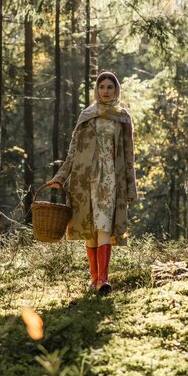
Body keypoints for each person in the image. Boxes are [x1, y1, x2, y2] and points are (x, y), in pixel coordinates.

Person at [46, 71, 137, 294]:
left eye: (110, 87)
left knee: (104, 225)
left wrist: (131, 185)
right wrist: (60, 177)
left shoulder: (123, 117)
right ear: (96, 90)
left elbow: (128, 153)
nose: (106, 91)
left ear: (117, 90)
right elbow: (73, 152)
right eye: (102, 87)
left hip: (110, 179)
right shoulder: (87, 115)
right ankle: (94, 279)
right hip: (84, 179)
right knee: (90, 230)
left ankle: (103, 280)